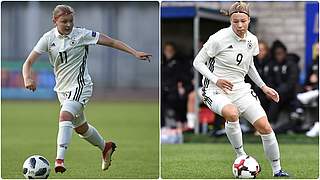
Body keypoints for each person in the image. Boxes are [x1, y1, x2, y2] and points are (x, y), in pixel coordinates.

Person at [22, 5, 151, 173]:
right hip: (62, 90)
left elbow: (111, 42)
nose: (68, 25)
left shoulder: (82, 34)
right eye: (64, 22)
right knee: (80, 128)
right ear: (54, 21)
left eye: (71, 21)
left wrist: (134, 52)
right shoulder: (47, 38)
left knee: (65, 115)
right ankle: (106, 147)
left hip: (81, 86)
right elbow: (28, 63)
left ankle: (59, 160)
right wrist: (27, 78)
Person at [193, 2, 289, 177]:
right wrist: (216, 80)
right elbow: (197, 62)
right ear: (230, 20)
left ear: (248, 20)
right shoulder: (218, 38)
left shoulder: (252, 40)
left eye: (243, 21)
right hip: (214, 89)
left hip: (241, 89)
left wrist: (263, 86)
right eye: (235, 21)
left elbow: (250, 66)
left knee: (265, 127)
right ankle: (241, 156)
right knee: (232, 113)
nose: (239, 25)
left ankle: (278, 170)